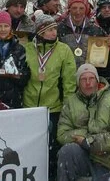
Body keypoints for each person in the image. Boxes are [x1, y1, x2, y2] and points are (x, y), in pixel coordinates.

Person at [24, 14, 77, 178]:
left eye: (55, 29)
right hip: (29, 107)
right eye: (49, 30)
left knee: (52, 148)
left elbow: (69, 81)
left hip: (53, 108)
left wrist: (67, 106)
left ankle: (51, 176)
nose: (54, 33)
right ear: (40, 31)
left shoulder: (63, 50)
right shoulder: (28, 49)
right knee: (32, 147)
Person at [57, 63, 110, 181]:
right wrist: (84, 141)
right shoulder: (71, 102)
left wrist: (92, 142)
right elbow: (62, 134)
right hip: (82, 156)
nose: (88, 82)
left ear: (97, 80)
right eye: (83, 79)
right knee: (67, 151)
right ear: (78, 83)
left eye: (91, 78)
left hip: (107, 160)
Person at [57, 0, 108, 68]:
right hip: (65, 74)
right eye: (74, 8)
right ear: (69, 9)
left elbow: (100, 59)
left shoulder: (95, 30)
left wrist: (109, 45)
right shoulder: (59, 29)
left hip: (87, 75)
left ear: (86, 10)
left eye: (81, 8)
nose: (78, 12)